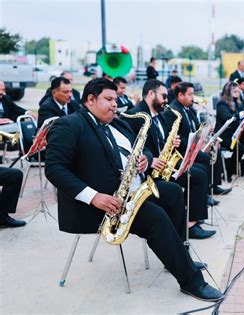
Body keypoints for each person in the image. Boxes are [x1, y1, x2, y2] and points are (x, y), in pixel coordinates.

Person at [44, 78, 223, 301]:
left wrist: (146, 160)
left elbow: (146, 149)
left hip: (134, 191)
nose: (114, 105)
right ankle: (191, 281)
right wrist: (94, 197)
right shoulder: (68, 125)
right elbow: (54, 169)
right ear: (90, 100)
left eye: (116, 100)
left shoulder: (118, 122)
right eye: (108, 99)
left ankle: (178, 258)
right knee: (156, 217)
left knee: (173, 192)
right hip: (102, 204)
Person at [124, 79, 215, 239]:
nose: (167, 100)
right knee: (196, 176)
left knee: (199, 172)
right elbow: (131, 147)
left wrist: (173, 142)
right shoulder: (135, 115)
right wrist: (151, 160)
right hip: (150, 170)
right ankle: (189, 226)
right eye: (164, 96)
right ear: (151, 94)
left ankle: (192, 221)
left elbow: (162, 140)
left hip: (164, 163)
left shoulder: (157, 114)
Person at [162, 82, 231, 196]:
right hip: (182, 150)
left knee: (216, 150)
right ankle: (205, 192)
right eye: (190, 94)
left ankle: (213, 186)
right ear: (180, 95)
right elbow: (176, 138)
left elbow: (197, 126)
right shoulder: (172, 111)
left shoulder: (188, 108)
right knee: (204, 158)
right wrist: (196, 144)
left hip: (192, 145)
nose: (193, 97)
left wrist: (206, 132)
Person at [215, 81, 244, 178]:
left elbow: (243, 119)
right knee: (240, 148)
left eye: (238, 90)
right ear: (228, 91)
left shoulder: (238, 102)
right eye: (234, 90)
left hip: (236, 134)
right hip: (224, 136)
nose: (237, 92)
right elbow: (228, 118)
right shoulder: (222, 103)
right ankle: (229, 171)